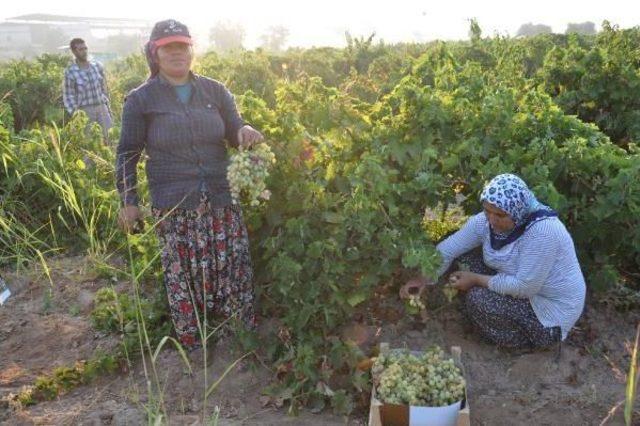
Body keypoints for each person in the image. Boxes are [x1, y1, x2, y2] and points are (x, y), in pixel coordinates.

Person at [115, 19, 264, 350]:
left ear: (191, 49)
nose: (177, 52)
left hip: (220, 194)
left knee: (231, 265)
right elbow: (127, 153)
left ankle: (237, 334)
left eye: (182, 45)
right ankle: (196, 343)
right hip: (175, 200)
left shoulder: (215, 90)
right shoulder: (140, 100)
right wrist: (128, 201)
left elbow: (234, 130)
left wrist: (247, 131)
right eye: (169, 47)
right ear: (155, 53)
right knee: (184, 271)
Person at [401, 174, 586, 350]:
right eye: (487, 211)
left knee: (478, 299)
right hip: (520, 282)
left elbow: (525, 287)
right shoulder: (487, 221)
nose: (491, 220)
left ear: (516, 211)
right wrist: (423, 279)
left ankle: (521, 343)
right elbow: (449, 249)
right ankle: (479, 315)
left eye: (499, 215)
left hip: (548, 310)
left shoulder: (543, 232)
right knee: (464, 259)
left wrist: (475, 280)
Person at [63, 38, 112, 143]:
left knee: (111, 138)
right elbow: (68, 96)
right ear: (74, 51)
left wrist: (106, 103)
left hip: (101, 108)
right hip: (85, 111)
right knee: (90, 144)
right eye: (81, 49)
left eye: (85, 48)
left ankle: (112, 159)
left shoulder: (97, 66)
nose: (84, 51)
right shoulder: (71, 72)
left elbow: (104, 87)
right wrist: (77, 115)